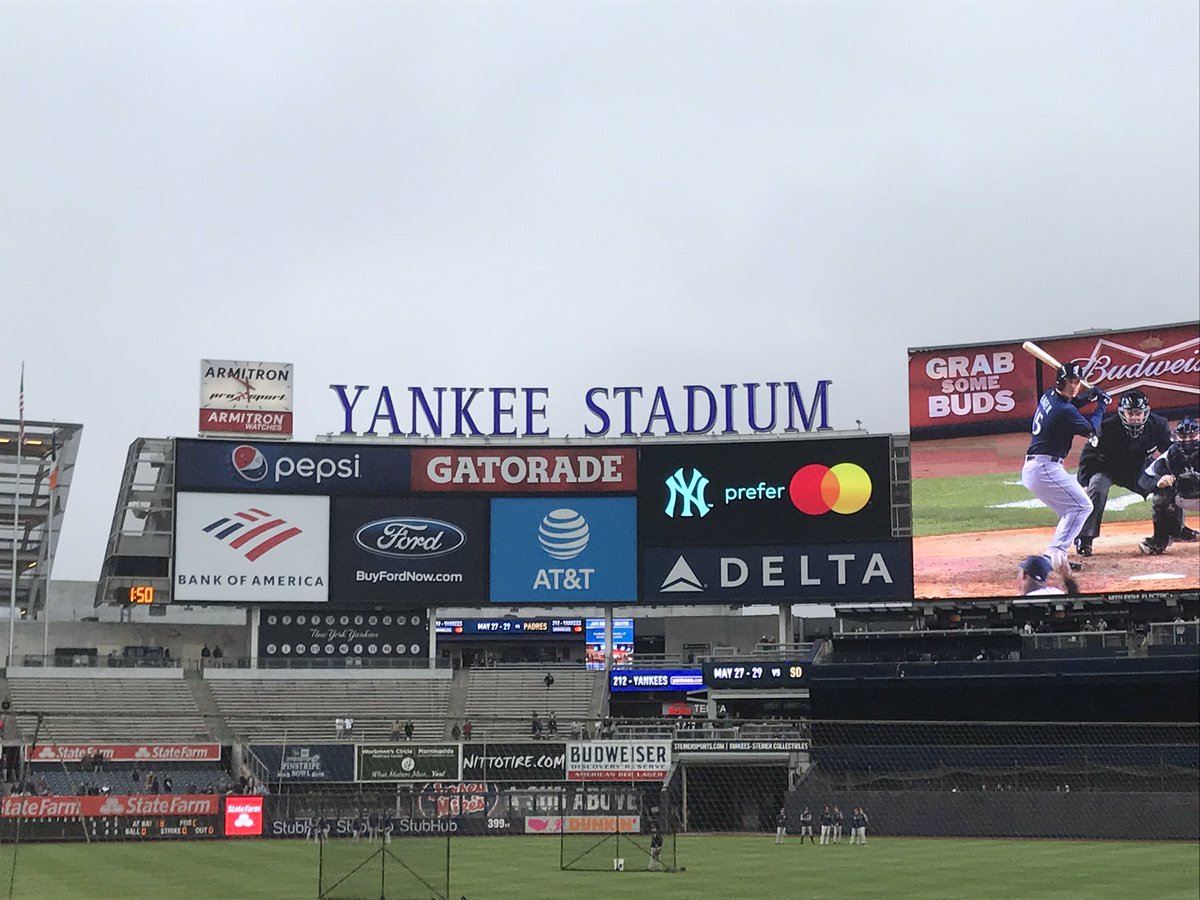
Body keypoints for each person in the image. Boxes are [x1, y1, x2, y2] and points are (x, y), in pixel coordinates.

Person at [1020, 362, 1109, 583]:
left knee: (1070, 512)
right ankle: (1054, 555)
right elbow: (1091, 430)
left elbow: (1071, 403)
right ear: (1061, 382)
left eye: (1077, 381)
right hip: (1044, 468)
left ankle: (1058, 555)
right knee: (1083, 506)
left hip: (1039, 468)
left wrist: (1088, 397)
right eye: (1071, 381)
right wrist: (1101, 406)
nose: (1075, 386)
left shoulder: (1050, 396)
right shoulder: (1064, 411)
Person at [1074, 390, 1172, 556]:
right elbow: (1087, 456)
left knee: (1167, 487)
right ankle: (1085, 539)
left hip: (1139, 469)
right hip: (1107, 468)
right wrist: (1083, 483)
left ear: (1146, 412)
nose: (1134, 417)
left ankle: (1172, 531)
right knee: (1096, 488)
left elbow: (1170, 453)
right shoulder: (1105, 428)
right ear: (1121, 413)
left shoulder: (1158, 424)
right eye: (1130, 413)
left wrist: (1169, 474)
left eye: (1138, 413)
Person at [1136, 418, 1200, 555]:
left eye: (1191, 435)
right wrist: (1158, 482)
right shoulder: (1170, 455)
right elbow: (1143, 479)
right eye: (1183, 436)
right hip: (1182, 497)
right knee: (1160, 497)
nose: (1187, 440)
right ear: (1176, 437)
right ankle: (1159, 541)